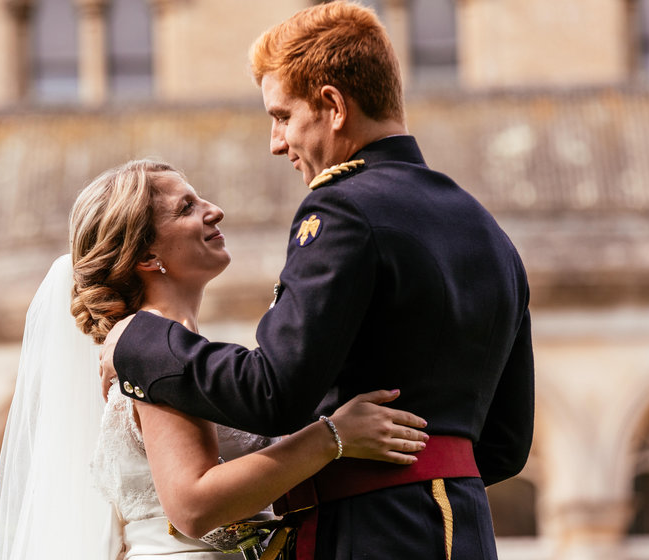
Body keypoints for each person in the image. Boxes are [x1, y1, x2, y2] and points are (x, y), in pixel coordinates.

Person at [101, 2, 535, 559]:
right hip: (466, 531)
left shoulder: (342, 210)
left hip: (367, 535)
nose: (277, 142)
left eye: (282, 116)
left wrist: (138, 340)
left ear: (332, 106)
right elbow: (506, 444)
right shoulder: (487, 230)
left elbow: (273, 393)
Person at [0, 159, 431, 560]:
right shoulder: (154, 355)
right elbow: (193, 503)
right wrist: (332, 437)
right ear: (146, 255)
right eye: (186, 208)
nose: (214, 210)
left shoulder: (174, 347)